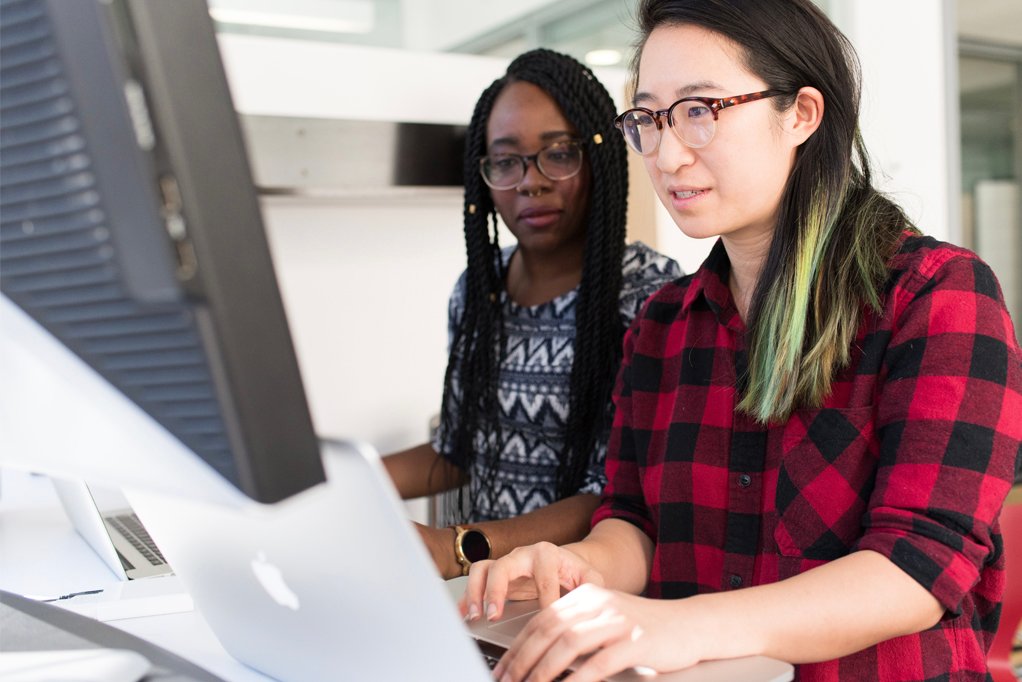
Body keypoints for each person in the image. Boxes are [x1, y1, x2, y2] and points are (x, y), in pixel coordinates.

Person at [460, 2, 1022, 680]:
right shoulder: (662, 325)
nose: (667, 154)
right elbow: (633, 522)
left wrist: (681, 626)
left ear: (801, 114)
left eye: (700, 110)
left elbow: (918, 565)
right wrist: (581, 565)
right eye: (649, 118)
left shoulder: (938, 296)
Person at [383, 49, 681, 580]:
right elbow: (458, 448)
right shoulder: (479, 291)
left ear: (598, 158)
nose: (531, 181)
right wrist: (338, 482)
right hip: (488, 595)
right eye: (506, 161)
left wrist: (458, 548)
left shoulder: (648, 295)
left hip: (588, 594)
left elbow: (617, 493)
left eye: (558, 154)